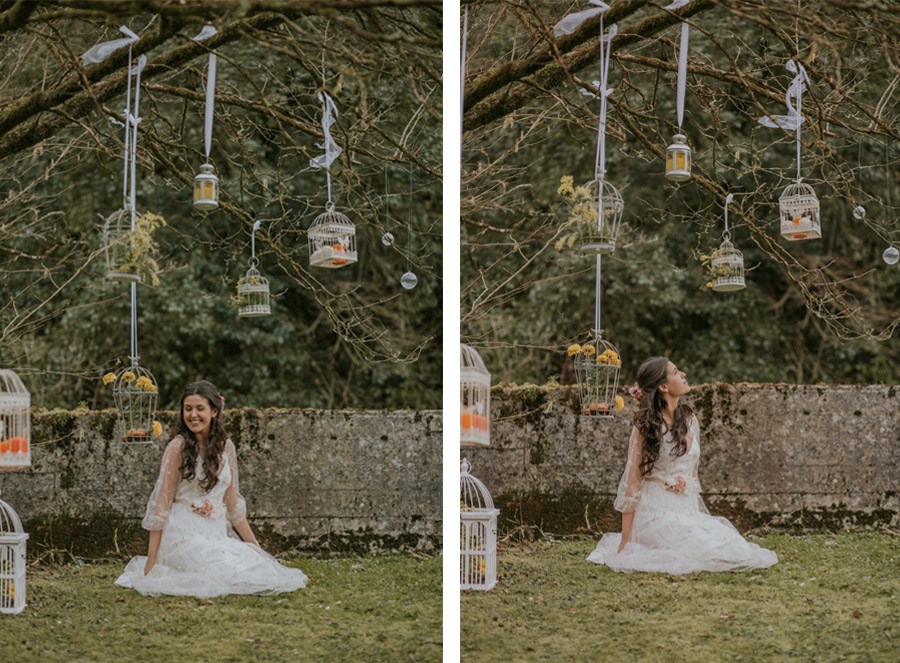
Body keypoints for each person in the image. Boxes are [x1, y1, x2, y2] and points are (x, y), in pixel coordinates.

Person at [116, 380, 307, 597]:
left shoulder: (227, 448)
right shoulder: (177, 448)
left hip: (215, 533)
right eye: (188, 409)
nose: (193, 415)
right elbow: (161, 506)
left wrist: (258, 550)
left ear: (214, 411)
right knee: (223, 570)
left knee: (252, 566)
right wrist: (151, 562)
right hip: (181, 532)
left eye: (200, 409)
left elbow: (234, 508)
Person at [587, 357, 777, 573]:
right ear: (664, 386)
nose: (683, 374)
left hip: (685, 510)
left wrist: (687, 492)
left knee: (731, 545)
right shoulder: (646, 427)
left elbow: (692, 472)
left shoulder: (689, 419)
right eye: (676, 371)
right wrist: (626, 540)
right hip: (654, 512)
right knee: (702, 550)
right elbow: (631, 484)